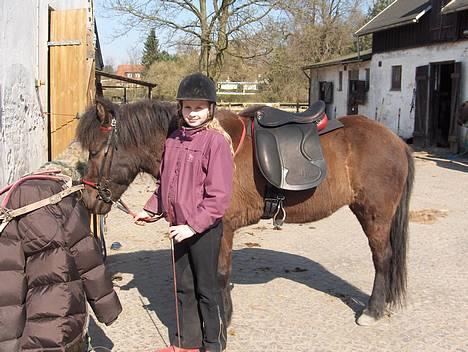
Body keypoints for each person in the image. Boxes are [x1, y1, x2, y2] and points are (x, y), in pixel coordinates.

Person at [134, 73, 234, 352]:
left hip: (204, 230)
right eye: (188, 107)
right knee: (183, 287)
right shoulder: (174, 139)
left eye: (199, 108)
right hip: (178, 227)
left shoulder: (216, 142)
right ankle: (186, 343)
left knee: (207, 290)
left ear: (210, 109)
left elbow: (219, 196)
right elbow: (165, 183)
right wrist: (151, 210)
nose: (192, 113)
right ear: (181, 108)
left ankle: (212, 345)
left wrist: (193, 226)